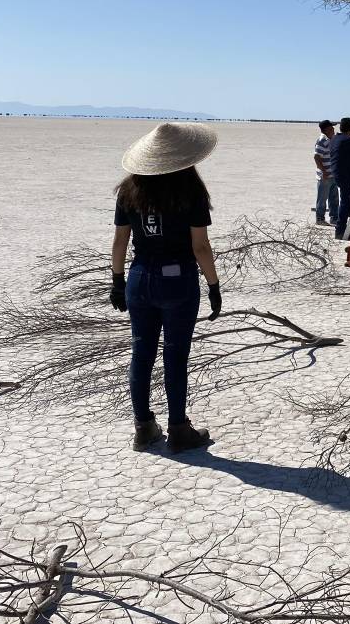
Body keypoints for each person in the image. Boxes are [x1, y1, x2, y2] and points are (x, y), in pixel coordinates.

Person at [110, 122, 223, 454]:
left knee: (141, 352)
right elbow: (200, 247)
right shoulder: (191, 192)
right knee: (176, 355)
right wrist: (214, 285)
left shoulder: (128, 191)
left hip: (139, 276)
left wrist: (117, 282)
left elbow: (120, 242)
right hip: (177, 281)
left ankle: (143, 428)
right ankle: (178, 429)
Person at [313, 119, 339, 226]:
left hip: (332, 174)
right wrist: (324, 172)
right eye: (331, 127)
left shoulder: (330, 138)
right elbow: (316, 157)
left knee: (334, 198)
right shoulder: (321, 140)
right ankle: (320, 219)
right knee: (322, 199)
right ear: (326, 129)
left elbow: (341, 136)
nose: (333, 129)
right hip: (325, 176)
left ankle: (334, 218)